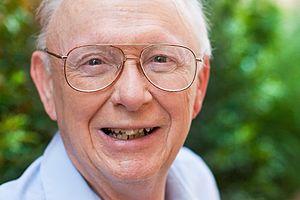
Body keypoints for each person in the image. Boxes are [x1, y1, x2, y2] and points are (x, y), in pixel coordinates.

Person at [0, 0, 220, 199]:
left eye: (160, 59)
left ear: (199, 84)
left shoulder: (196, 180)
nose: (132, 96)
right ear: (47, 85)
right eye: (94, 62)